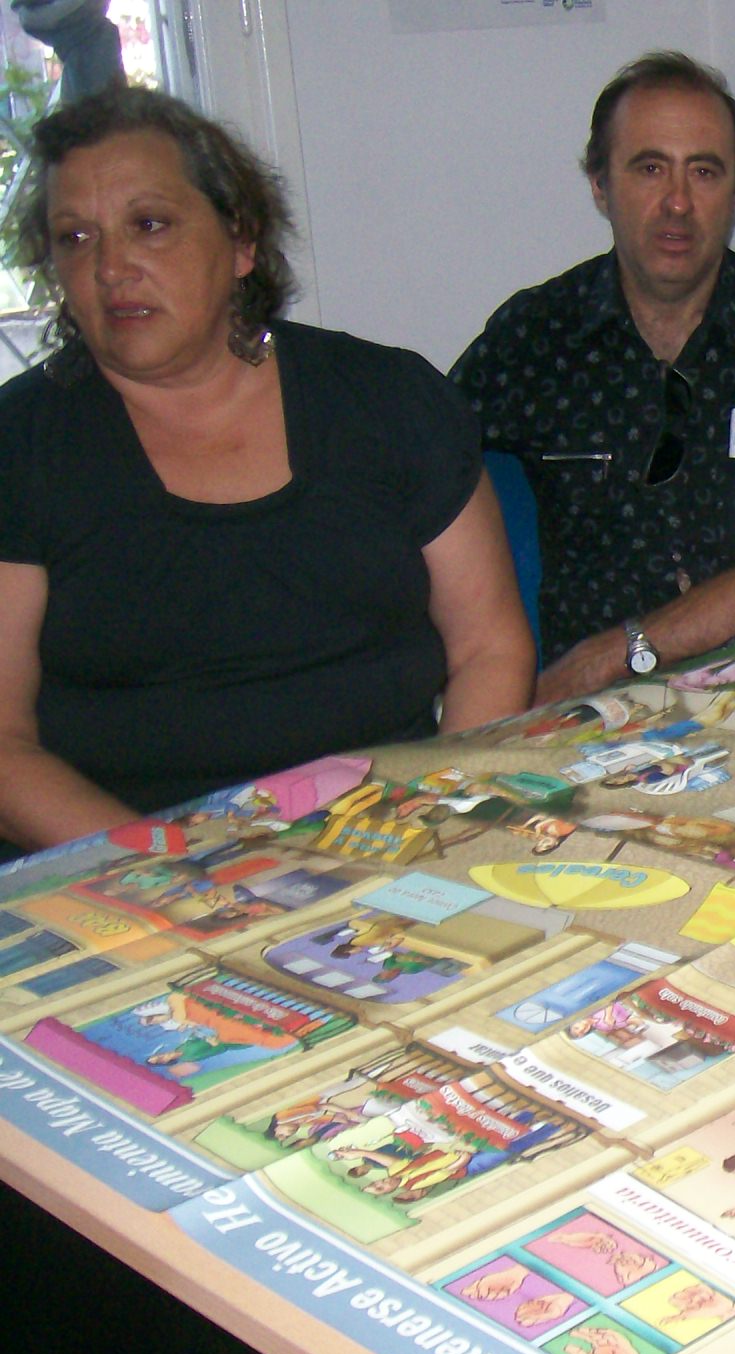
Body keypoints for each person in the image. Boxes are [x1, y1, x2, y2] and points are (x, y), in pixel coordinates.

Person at [0, 87, 532, 854]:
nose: (111, 267)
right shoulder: (21, 445)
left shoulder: (388, 401)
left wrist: (425, 825)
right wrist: (170, 869)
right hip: (120, 865)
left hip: (397, 834)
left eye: (149, 225)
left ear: (241, 241)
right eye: (75, 238)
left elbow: (489, 649)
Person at [454, 51, 735, 705]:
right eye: (649, 168)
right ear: (600, 185)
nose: (677, 202)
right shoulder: (533, 337)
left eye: (704, 171)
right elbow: (413, 477)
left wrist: (616, 654)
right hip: (593, 710)